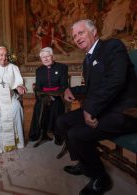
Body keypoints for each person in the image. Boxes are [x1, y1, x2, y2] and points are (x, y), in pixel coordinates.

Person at [56, 19, 137, 195]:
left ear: (94, 32)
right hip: (104, 106)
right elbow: (91, 88)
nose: (77, 38)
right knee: (62, 121)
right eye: (74, 36)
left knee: (76, 134)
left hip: (124, 111)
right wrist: (72, 89)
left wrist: (90, 108)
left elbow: (116, 81)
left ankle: (101, 178)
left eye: (81, 33)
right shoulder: (88, 59)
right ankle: (84, 164)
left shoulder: (112, 46)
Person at [29, 47, 68, 145]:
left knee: (56, 106)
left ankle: (58, 134)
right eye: (43, 57)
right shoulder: (39, 70)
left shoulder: (62, 67)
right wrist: (43, 96)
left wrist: (53, 96)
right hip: (43, 96)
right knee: (40, 106)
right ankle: (41, 133)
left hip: (58, 96)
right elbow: (38, 87)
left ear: (52, 56)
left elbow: (64, 86)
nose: (45, 59)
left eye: (47, 56)